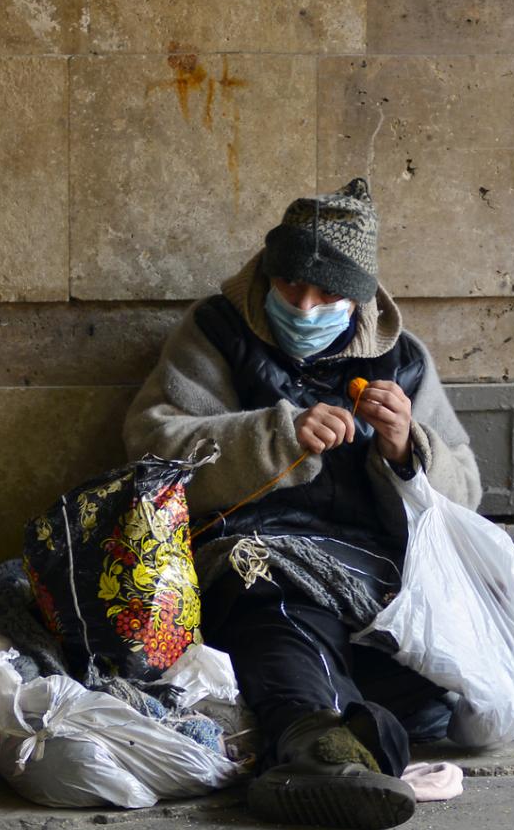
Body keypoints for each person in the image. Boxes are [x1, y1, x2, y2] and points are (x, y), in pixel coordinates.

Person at [125, 178, 482, 829]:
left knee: (438, 651)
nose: (306, 305)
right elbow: (154, 448)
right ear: (268, 274)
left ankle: (346, 736)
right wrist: (274, 436)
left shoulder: (401, 359)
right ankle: (317, 744)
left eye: (327, 294)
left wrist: (408, 447)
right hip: (257, 552)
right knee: (282, 613)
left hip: (368, 564)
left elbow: (467, 488)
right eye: (292, 287)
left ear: (361, 297)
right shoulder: (216, 332)